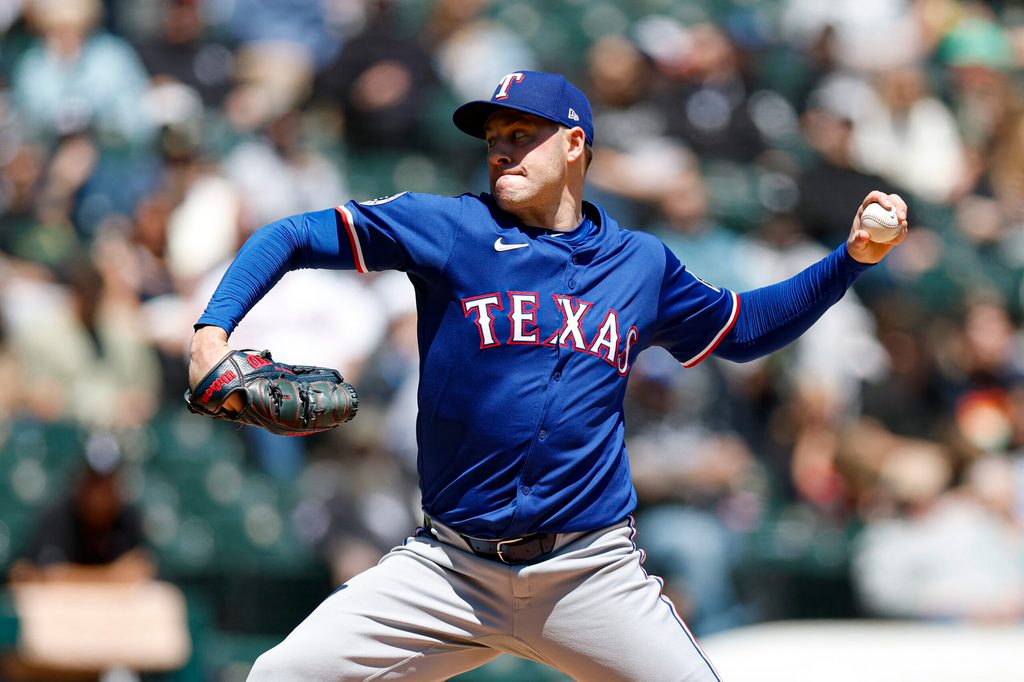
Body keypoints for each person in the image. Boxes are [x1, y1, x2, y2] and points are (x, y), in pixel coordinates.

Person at [187, 71, 908, 681]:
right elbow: (291, 235)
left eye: (520, 135)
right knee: (278, 676)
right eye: (493, 139)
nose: (501, 152)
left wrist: (849, 260)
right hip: (448, 570)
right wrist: (212, 333)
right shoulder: (452, 228)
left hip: (589, 573)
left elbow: (744, 329)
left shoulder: (640, 265)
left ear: (574, 145)